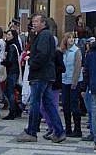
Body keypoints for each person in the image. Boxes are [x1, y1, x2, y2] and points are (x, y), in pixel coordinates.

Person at [15, 13, 65, 143]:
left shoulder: (43, 35)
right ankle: (59, 132)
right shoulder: (44, 35)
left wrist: (31, 61)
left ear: (43, 23)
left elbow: (42, 55)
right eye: (33, 21)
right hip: (46, 75)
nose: (33, 23)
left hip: (40, 75)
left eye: (36, 21)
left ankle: (31, 132)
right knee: (48, 104)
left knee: (35, 103)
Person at [40, 41, 65, 138]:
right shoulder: (44, 53)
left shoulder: (57, 53)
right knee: (42, 108)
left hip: (54, 83)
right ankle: (51, 127)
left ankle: (55, 129)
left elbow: (62, 68)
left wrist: (51, 68)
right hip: (46, 82)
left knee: (52, 107)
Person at [60, 32, 83, 137]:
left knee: (74, 105)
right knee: (65, 105)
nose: (71, 39)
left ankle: (77, 129)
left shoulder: (76, 51)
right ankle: (68, 128)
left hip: (74, 81)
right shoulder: (63, 52)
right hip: (64, 81)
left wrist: (74, 82)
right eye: (69, 38)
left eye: (72, 38)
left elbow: (77, 67)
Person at [2, 28, 22, 119]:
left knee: (9, 91)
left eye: (9, 35)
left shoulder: (11, 46)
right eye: (7, 34)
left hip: (12, 71)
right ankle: (17, 109)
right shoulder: (16, 45)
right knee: (9, 90)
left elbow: (10, 60)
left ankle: (13, 111)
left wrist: (3, 62)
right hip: (15, 70)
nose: (7, 36)